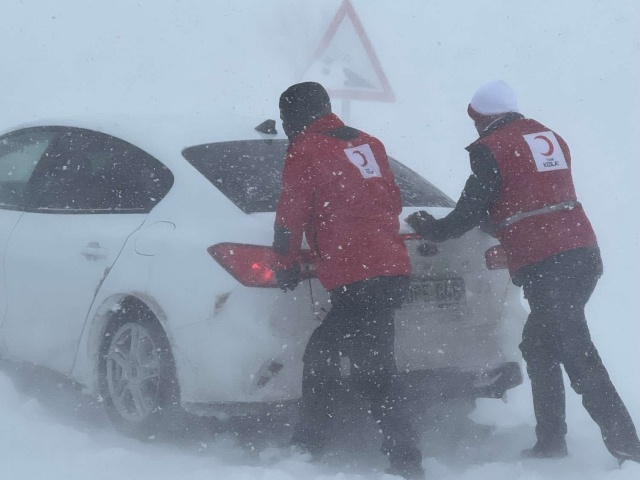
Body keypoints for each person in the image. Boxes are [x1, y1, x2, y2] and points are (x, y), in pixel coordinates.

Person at [405, 79, 640, 464]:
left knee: (578, 354)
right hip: (581, 254)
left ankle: (628, 449)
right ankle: (550, 442)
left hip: (549, 262)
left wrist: (433, 229)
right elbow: (531, 193)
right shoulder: (547, 136)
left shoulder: (491, 148)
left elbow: (472, 208)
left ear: (481, 117)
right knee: (538, 345)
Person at [273, 81, 424, 479]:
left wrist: (285, 263)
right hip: (390, 267)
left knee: (360, 366)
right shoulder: (366, 143)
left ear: (295, 116)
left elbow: (291, 213)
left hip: (358, 273)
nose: (287, 125)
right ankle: (321, 447)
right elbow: (392, 199)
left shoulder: (305, 149)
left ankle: (400, 459)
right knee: (354, 359)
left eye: (287, 117)